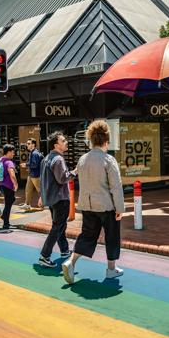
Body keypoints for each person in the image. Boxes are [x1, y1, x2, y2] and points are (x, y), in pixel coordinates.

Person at [62, 120, 125, 284]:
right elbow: (116, 187)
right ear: (107, 140)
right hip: (106, 206)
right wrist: (120, 208)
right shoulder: (108, 160)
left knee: (87, 235)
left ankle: (70, 262)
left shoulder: (82, 159)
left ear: (91, 139)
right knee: (112, 236)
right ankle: (111, 270)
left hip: (87, 205)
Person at [38, 131, 77, 267]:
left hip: (51, 198)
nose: (66, 142)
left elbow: (42, 180)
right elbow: (63, 178)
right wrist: (75, 172)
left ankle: (65, 250)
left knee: (60, 225)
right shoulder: (58, 159)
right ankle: (44, 255)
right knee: (57, 227)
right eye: (63, 140)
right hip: (60, 198)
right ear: (56, 145)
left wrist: (42, 196)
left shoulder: (46, 158)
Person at [0, 144, 18, 230]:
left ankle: (4, 215)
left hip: (1, 184)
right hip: (8, 186)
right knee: (8, 204)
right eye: (13, 152)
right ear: (9, 152)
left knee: (11, 200)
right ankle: (6, 223)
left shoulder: (0, 160)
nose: (14, 154)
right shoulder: (9, 162)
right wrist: (16, 184)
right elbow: (12, 174)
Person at [20, 138, 43, 210]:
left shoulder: (35, 153)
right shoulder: (33, 152)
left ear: (33, 144)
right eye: (27, 143)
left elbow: (35, 165)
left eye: (29, 143)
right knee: (28, 190)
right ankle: (27, 204)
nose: (27, 145)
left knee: (40, 191)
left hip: (35, 175)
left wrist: (26, 165)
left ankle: (44, 204)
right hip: (32, 174)